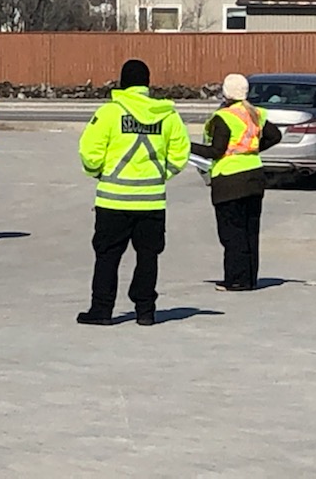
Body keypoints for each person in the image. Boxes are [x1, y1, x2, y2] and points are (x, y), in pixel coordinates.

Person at [76, 59, 191, 326]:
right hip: (151, 200)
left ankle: (102, 310)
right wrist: (161, 175)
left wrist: (99, 173)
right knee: (148, 256)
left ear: (122, 82)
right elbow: (180, 154)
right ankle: (145, 311)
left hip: (113, 199)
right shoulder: (168, 115)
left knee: (107, 256)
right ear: (147, 84)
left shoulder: (109, 113)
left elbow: (89, 151)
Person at [191, 73, 281, 292]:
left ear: (225, 92)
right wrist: (253, 149)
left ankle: (235, 279)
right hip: (254, 177)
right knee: (250, 230)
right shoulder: (255, 113)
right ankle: (250, 278)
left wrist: (187, 146)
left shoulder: (224, 117)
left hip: (230, 181)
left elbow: (216, 151)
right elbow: (275, 135)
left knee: (232, 233)